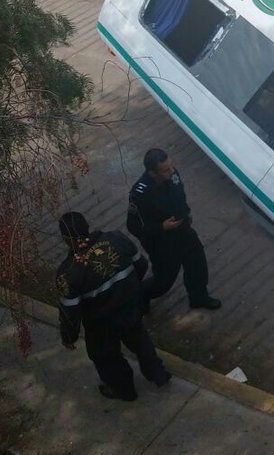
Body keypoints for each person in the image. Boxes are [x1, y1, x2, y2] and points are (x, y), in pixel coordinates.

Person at [56, 211, 171, 401]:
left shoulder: (68, 273)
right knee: (140, 341)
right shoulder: (117, 239)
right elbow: (141, 265)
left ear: (66, 239)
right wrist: (130, 291)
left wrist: (69, 337)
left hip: (101, 324)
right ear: (88, 225)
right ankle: (159, 374)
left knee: (107, 358)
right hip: (130, 307)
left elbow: (70, 314)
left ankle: (124, 390)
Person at [127, 149, 221, 312]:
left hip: (183, 230)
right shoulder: (140, 193)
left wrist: (185, 212)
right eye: (166, 170)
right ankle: (141, 296)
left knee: (197, 265)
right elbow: (133, 226)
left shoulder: (172, 174)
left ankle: (198, 297)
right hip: (161, 242)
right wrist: (161, 227)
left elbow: (179, 195)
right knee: (163, 281)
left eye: (171, 167)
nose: (172, 172)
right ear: (152, 173)